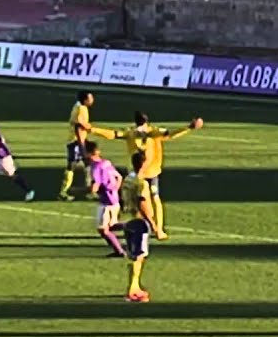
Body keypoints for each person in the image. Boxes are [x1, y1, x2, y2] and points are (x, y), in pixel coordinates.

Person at [90, 111, 203, 241]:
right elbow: (113, 134)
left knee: (154, 198)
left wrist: (188, 128)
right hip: (137, 174)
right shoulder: (132, 132)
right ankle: (142, 227)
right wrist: (93, 129)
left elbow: (170, 134)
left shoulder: (154, 132)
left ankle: (158, 229)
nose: (141, 130)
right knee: (137, 203)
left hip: (151, 172)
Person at [114, 151, 157, 302]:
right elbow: (142, 203)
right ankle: (132, 290)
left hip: (128, 220)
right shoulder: (141, 183)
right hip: (138, 221)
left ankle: (135, 285)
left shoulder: (128, 179)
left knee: (134, 255)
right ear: (144, 163)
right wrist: (154, 225)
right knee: (139, 256)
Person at [86, 141, 126, 258]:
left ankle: (119, 251)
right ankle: (132, 226)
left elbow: (94, 187)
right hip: (114, 200)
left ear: (88, 153)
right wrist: (114, 190)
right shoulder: (106, 163)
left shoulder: (95, 168)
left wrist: (79, 191)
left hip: (106, 202)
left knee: (103, 230)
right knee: (112, 225)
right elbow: (119, 177)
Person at [58, 90, 95, 201]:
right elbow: (78, 126)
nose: (92, 100)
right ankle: (63, 192)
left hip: (79, 141)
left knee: (88, 164)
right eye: (90, 98)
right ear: (85, 99)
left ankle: (91, 190)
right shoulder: (80, 109)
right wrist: (81, 144)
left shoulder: (80, 107)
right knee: (72, 166)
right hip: (76, 142)